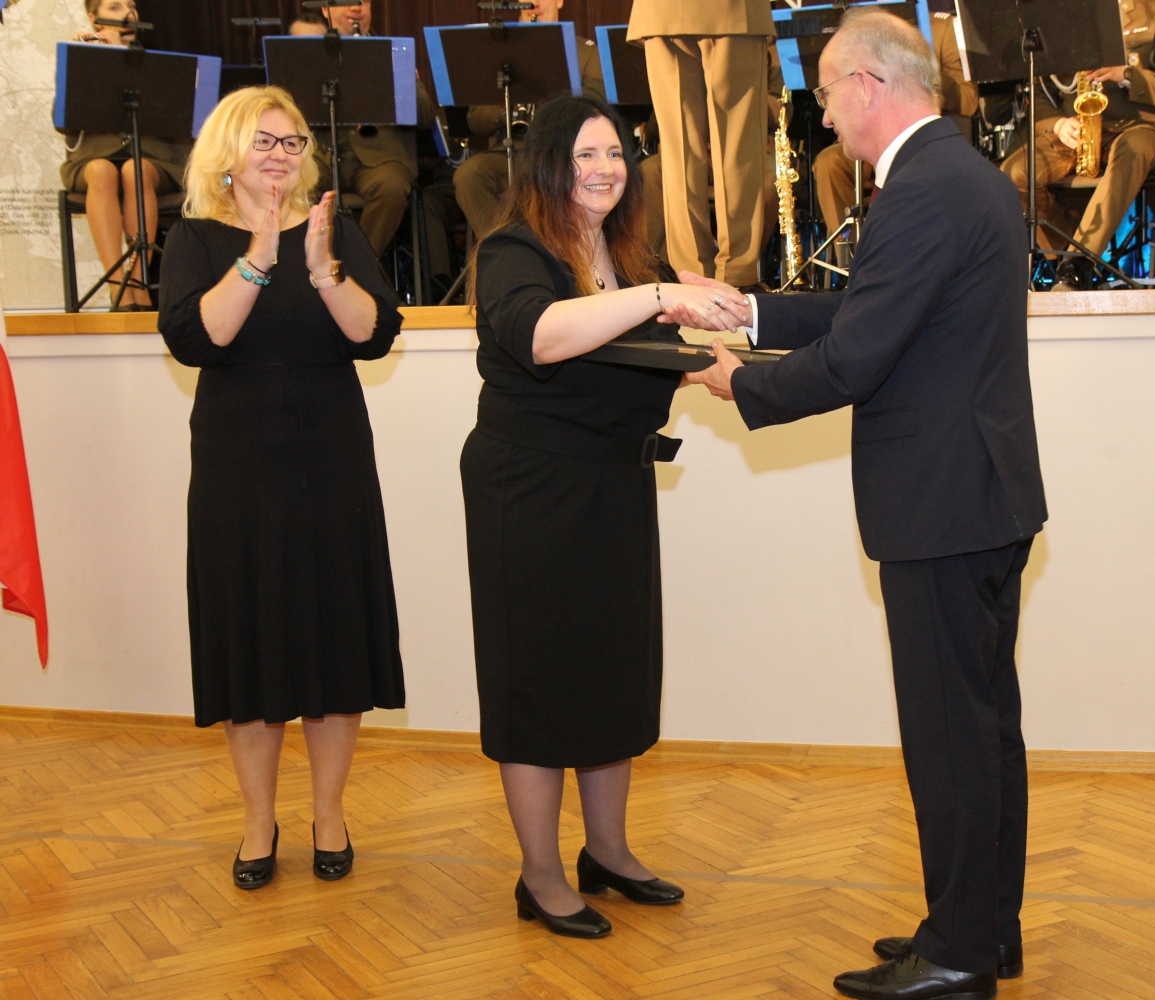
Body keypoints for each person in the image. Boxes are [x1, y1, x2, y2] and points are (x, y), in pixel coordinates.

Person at [677, 10, 1046, 999]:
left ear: (870, 85)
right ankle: (983, 927)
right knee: (983, 728)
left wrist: (740, 383)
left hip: (942, 505)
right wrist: (750, 310)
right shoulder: (959, 175)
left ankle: (959, 953)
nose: (826, 116)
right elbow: (868, 312)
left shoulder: (921, 189)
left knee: (950, 736)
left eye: (829, 93)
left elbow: (855, 357)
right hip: (978, 495)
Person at [460, 94, 745, 939]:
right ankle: (540, 875)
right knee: (537, 683)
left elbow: (641, 358)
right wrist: (660, 296)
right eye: (586, 154)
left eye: (616, 153)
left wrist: (722, 356)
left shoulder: (628, 256)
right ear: (549, 164)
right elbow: (542, 337)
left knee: (611, 674)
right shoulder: (515, 250)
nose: (606, 168)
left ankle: (608, 853)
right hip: (529, 495)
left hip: (613, 488)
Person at [156, 86, 405, 890]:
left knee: (335, 643)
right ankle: (257, 821)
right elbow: (200, 337)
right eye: (264, 141)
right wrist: (259, 256)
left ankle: (329, 815)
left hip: (332, 457)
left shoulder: (336, 229)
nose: (280, 155)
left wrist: (322, 270)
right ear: (226, 154)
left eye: (292, 142)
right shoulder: (194, 237)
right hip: (239, 467)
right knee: (250, 653)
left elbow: (373, 334)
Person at [999, 0, 1155, 290]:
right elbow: (1037, 90)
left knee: (1131, 150)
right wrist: (1057, 124)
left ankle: (1079, 262)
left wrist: (1126, 74)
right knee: (1014, 174)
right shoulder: (1060, 15)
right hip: (1077, 127)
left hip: (1140, 127)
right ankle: (1067, 261)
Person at [628, 0, 773, 287]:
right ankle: (736, 279)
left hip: (662, 11)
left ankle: (691, 278)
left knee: (678, 152)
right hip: (733, 10)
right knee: (738, 147)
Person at [58, 0, 189, 309]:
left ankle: (139, 282)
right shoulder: (81, 59)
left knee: (135, 170)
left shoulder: (157, 65)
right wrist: (82, 64)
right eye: (115, 8)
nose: (128, 14)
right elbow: (63, 122)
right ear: (95, 19)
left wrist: (123, 59)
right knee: (102, 171)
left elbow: (180, 119)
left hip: (152, 160)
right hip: (91, 160)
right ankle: (118, 283)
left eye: (131, 6)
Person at [812, 1, 977, 234]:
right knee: (829, 163)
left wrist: (920, 68)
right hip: (869, 131)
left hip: (916, 138)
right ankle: (848, 246)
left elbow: (970, 100)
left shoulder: (940, 27)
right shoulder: (860, 29)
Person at [453, 0, 607, 235]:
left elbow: (595, 108)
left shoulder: (586, 53)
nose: (534, 1)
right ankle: (502, 250)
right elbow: (476, 121)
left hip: (561, 154)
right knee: (469, 175)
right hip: (511, 152)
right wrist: (507, 108)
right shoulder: (497, 53)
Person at [315, 0, 438, 257]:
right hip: (324, 156)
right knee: (292, 183)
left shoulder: (393, 51)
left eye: (364, 2)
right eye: (347, 1)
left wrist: (401, 78)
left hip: (380, 161)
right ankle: (307, 265)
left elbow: (425, 116)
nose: (356, 8)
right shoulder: (309, 54)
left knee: (391, 188)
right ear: (325, 10)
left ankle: (359, 268)